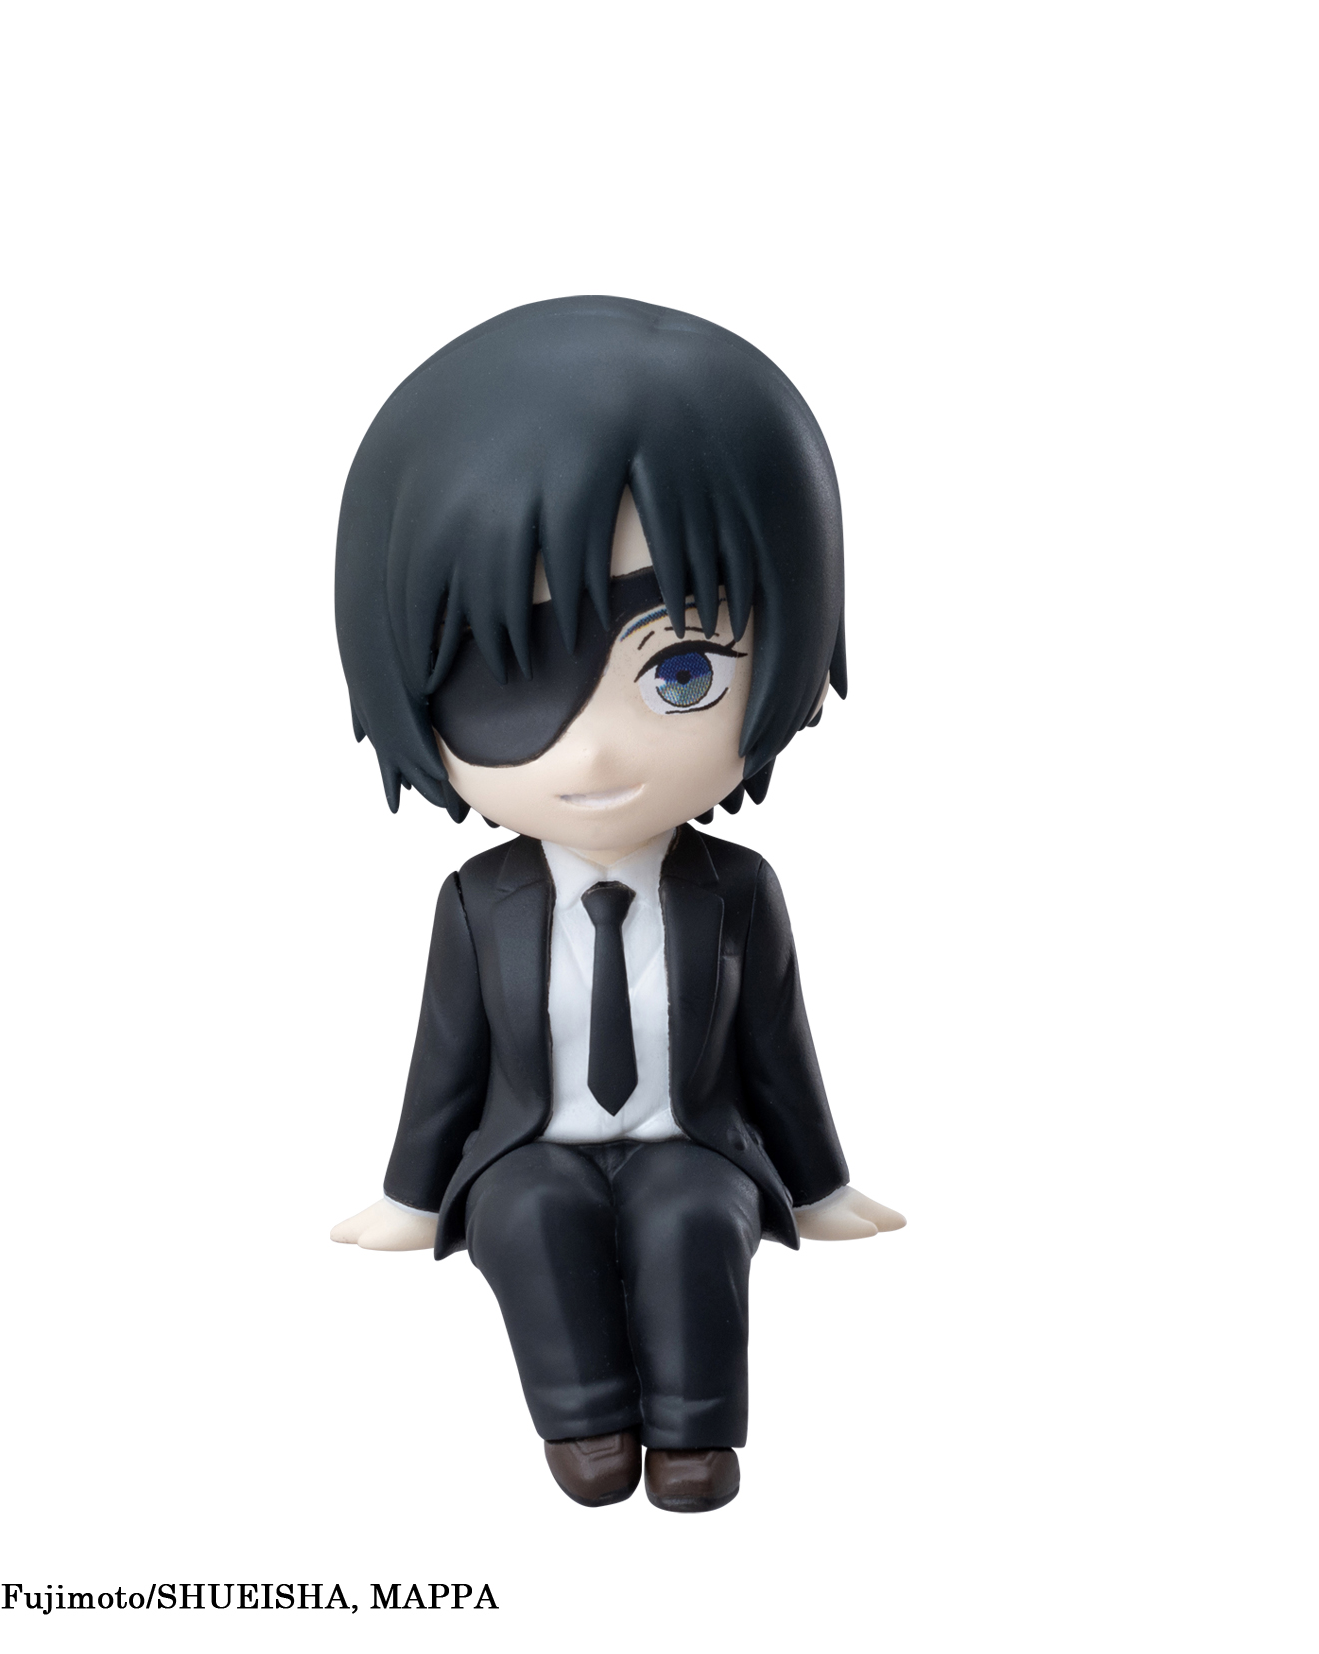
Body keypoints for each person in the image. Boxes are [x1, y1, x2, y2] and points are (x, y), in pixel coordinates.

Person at [329, 296, 903, 1513]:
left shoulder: (736, 892)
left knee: (693, 1215)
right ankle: (585, 1419)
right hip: (525, 1146)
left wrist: (817, 1186)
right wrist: (412, 1194)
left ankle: (695, 1436)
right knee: (530, 1214)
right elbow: (444, 1059)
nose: (592, 753)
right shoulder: (478, 902)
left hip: (693, 1139)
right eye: (507, 673)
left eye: (680, 670)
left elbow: (776, 1047)